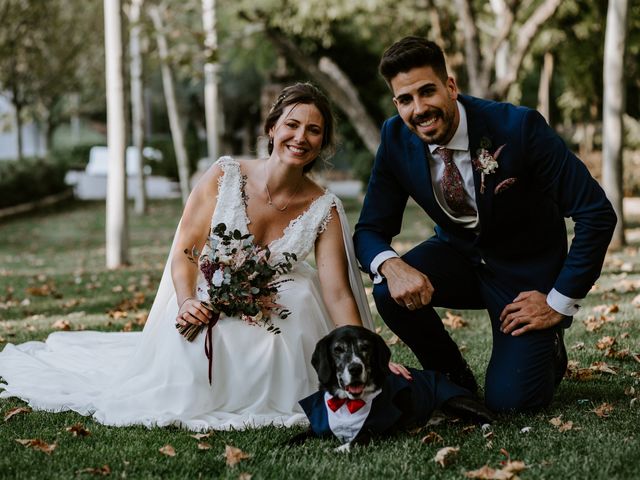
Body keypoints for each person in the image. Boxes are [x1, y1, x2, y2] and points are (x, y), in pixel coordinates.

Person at [0, 82, 407, 431]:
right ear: (272, 128)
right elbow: (185, 250)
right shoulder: (225, 175)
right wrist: (187, 300)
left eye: (314, 131)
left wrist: (366, 351)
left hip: (277, 306)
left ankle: (278, 393)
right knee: (201, 337)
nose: (301, 137)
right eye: (292, 125)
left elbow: (337, 292)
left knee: (301, 297)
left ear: (322, 142)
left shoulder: (325, 207)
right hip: (205, 293)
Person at [353, 36, 617, 413]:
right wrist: (391, 266)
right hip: (458, 258)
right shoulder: (395, 138)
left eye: (427, 91)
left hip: (526, 275)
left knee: (511, 404)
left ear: (451, 86)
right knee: (386, 291)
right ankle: (452, 381)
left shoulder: (519, 127)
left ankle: (549, 345)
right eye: (406, 100)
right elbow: (368, 231)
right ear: (396, 104)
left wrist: (558, 303)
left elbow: (595, 212)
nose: (420, 109)